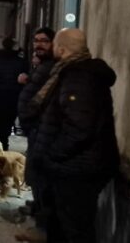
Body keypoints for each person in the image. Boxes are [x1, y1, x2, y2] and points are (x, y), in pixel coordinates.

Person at [28, 28, 119, 243]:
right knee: (64, 227)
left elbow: (79, 128)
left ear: (61, 48)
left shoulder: (79, 77)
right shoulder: (74, 73)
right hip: (76, 167)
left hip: (76, 170)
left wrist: (52, 155)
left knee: (74, 231)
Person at [16, 27, 56, 242]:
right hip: (36, 133)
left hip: (42, 134)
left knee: (42, 182)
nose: (39, 44)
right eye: (36, 40)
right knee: (36, 179)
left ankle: (42, 228)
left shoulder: (52, 69)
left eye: (44, 41)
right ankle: (38, 219)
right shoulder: (41, 67)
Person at [0, 37, 30, 151]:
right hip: (15, 96)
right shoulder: (21, 62)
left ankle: (3, 141)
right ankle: (5, 140)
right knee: (10, 119)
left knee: (0, 121)